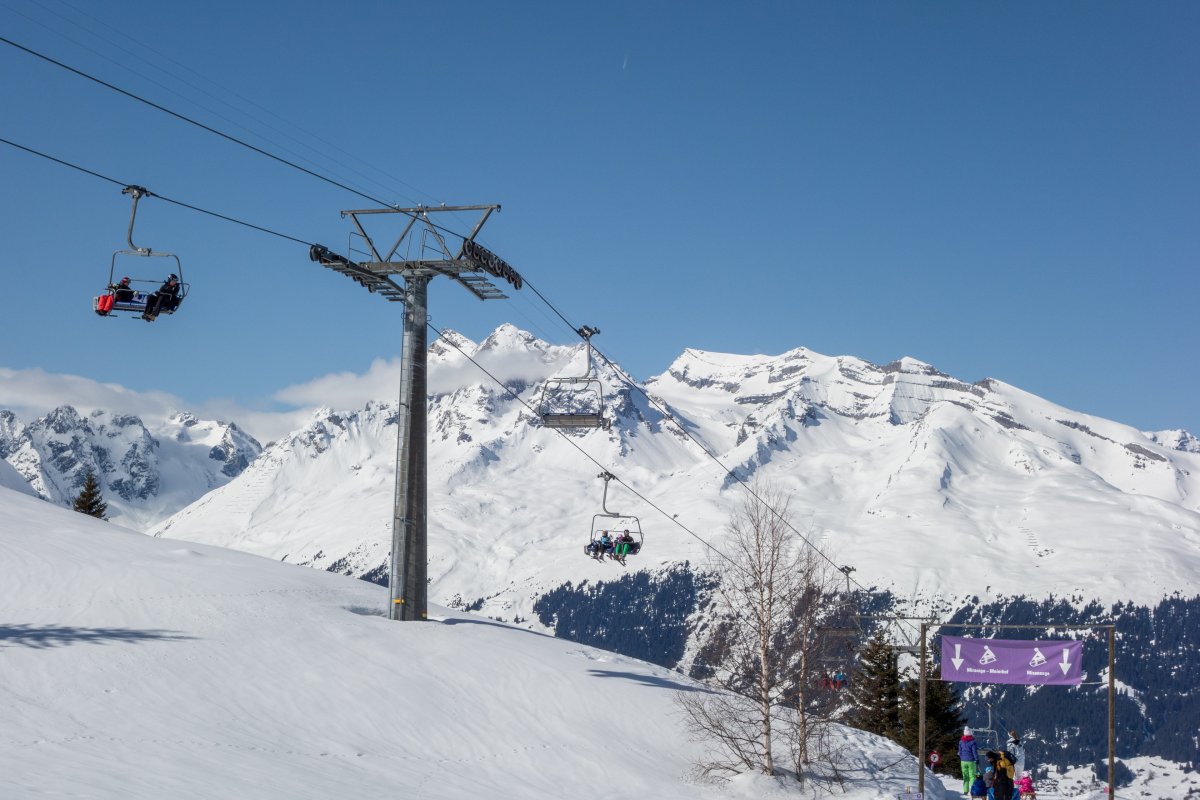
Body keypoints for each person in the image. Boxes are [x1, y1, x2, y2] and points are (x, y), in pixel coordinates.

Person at [959, 727, 980, 794]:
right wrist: (976, 759)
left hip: (963, 761)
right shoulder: (972, 742)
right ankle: (973, 790)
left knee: (965, 776)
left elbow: (960, 751)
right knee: (972, 776)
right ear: (970, 733)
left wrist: (962, 757)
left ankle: (965, 791)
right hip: (971, 761)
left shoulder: (961, 742)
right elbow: (974, 752)